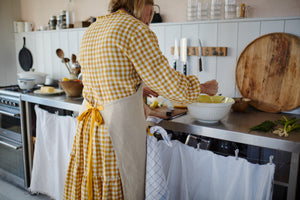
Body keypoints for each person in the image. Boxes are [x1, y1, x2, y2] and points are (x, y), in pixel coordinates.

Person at [63, 0, 218, 199]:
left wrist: (138, 88)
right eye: (151, 11)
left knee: (93, 186)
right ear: (139, 3)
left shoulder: (94, 27)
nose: (149, 20)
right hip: (116, 132)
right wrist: (201, 88)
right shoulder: (135, 30)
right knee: (120, 187)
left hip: (90, 129)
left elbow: (105, 78)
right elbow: (166, 81)